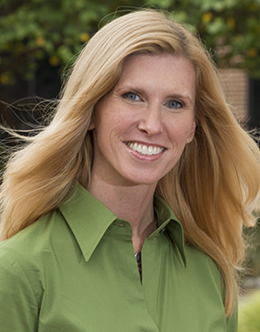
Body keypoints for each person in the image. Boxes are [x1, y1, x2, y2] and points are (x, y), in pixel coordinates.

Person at [0, 9, 259, 332]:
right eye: (132, 96)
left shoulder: (209, 271)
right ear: (91, 110)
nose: (152, 125)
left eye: (175, 103)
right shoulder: (17, 270)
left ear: (193, 127)